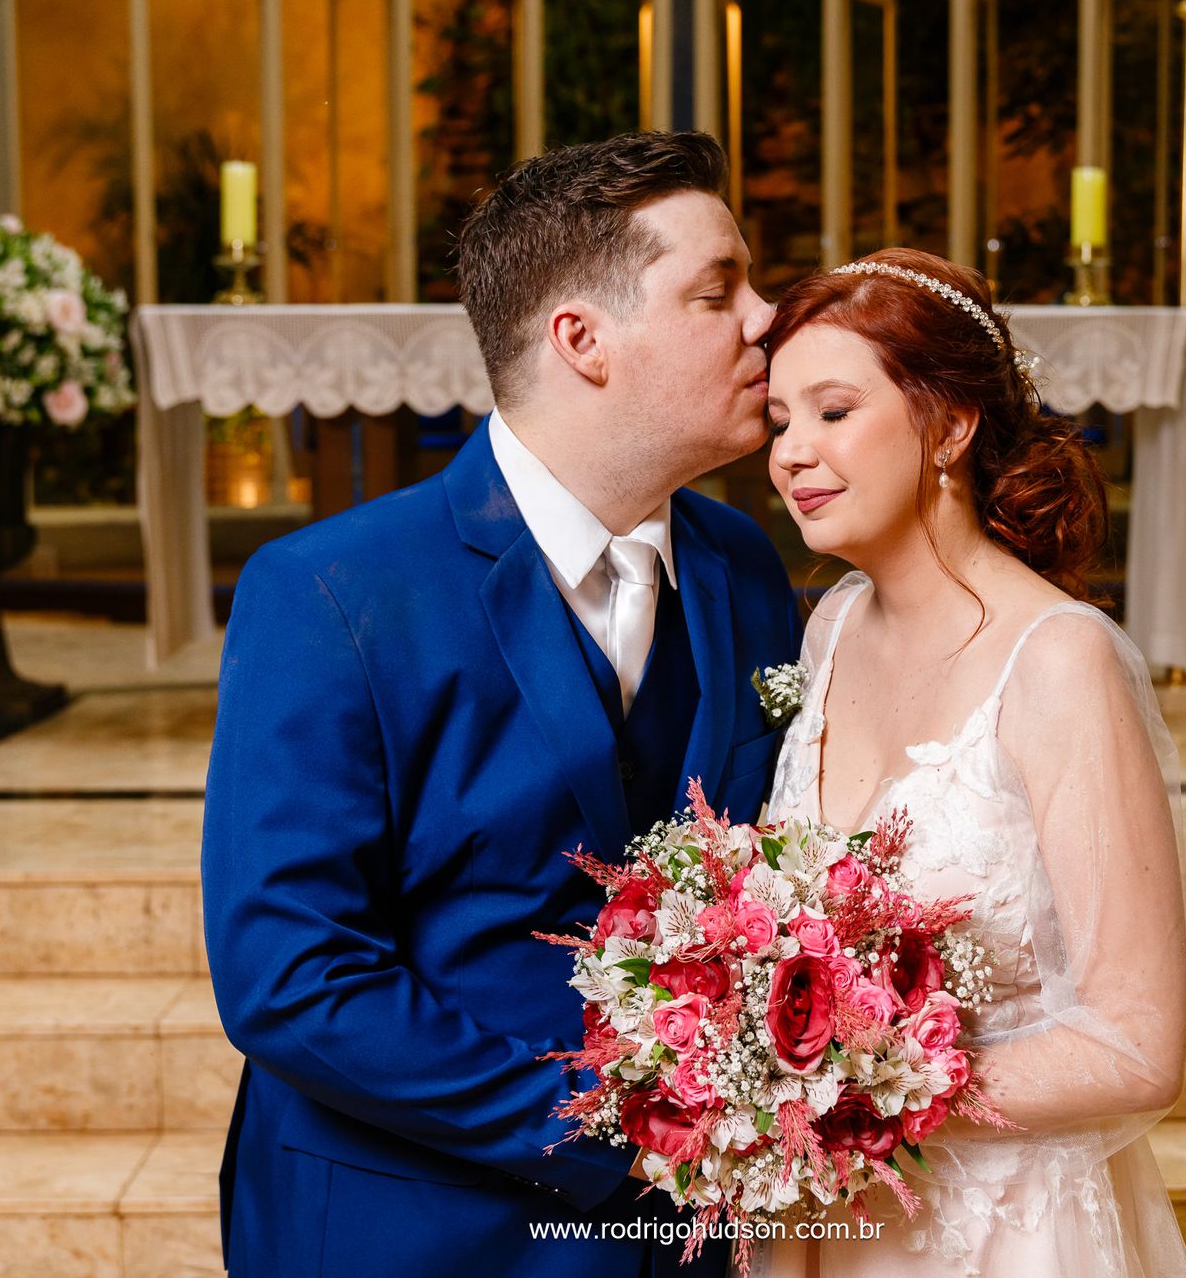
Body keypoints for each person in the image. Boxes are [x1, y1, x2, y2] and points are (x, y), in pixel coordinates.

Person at [200, 130, 799, 1277]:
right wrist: (612, 1128)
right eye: (719, 290)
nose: (766, 317)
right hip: (412, 1226)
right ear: (583, 340)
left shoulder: (742, 565)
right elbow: (290, 973)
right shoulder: (329, 592)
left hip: (684, 1239)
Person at [754, 248, 1186, 1277]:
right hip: (828, 1222)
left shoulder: (1058, 660)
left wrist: (858, 1082)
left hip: (1001, 1229)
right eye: (779, 420)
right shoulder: (832, 625)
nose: (791, 453)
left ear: (950, 425)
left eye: (831, 411)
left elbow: (1137, 1042)